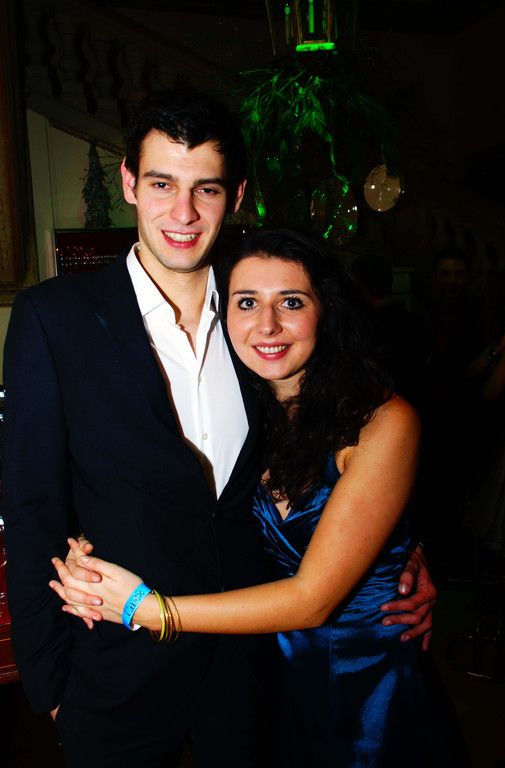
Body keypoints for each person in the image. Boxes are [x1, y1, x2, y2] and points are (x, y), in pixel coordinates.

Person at [2, 90, 434, 768]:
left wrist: (393, 557)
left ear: (235, 196)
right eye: (162, 184)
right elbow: (31, 507)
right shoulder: (53, 317)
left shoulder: (256, 311)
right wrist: (51, 687)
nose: (183, 213)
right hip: (112, 672)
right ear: (128, 183)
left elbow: (330, 443)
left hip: (253, 670)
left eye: (205, 189)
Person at [51, 228, 454, 767]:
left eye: (291, 302)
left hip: (365, 687)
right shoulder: (249, 415)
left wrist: (148, 609)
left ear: (327, 311)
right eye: (246, 302)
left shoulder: (383, 422)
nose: (267, 324)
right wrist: (86, 545)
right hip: (271, 681)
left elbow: (313, 599)